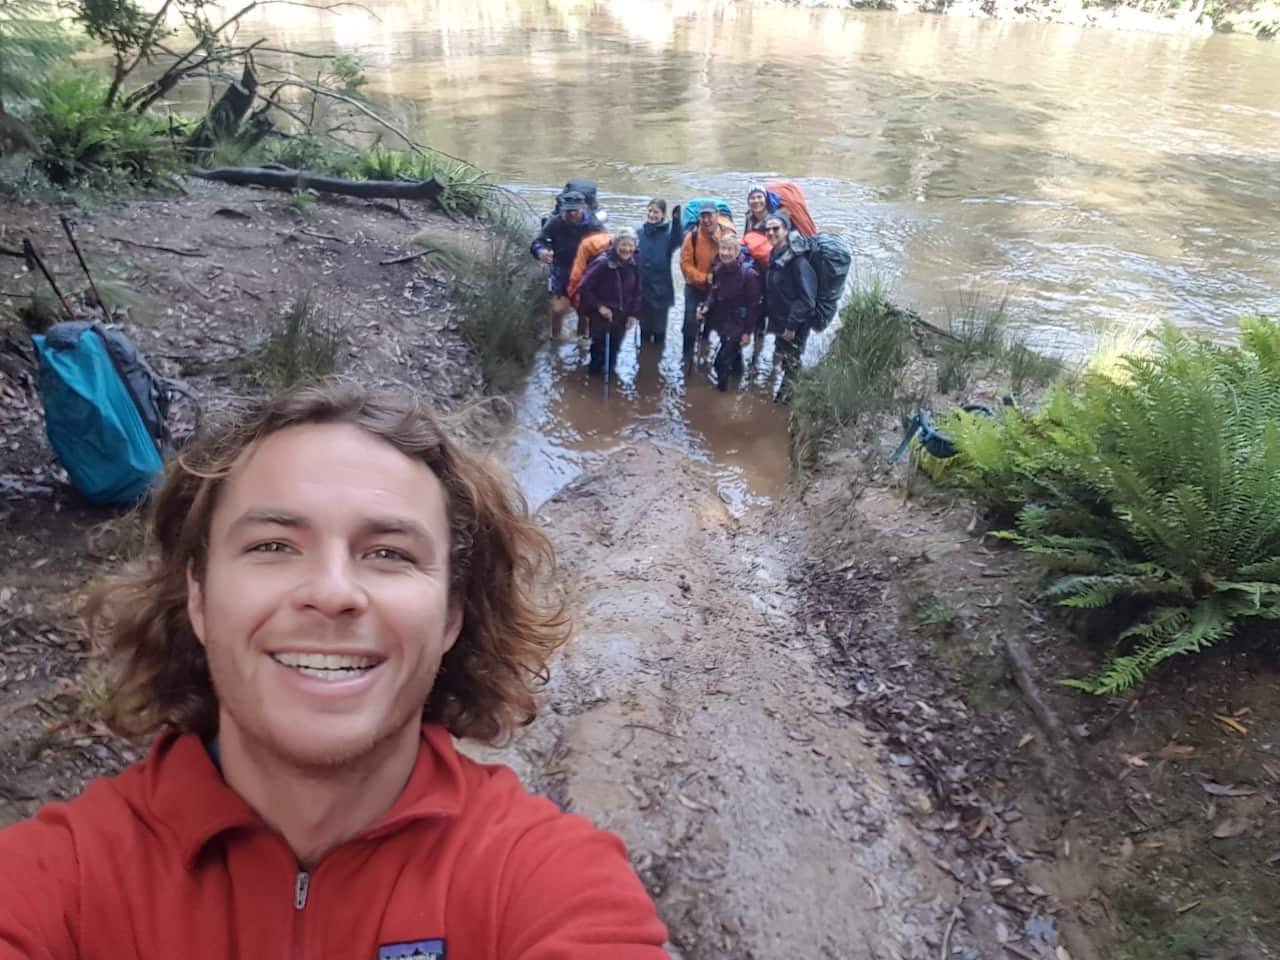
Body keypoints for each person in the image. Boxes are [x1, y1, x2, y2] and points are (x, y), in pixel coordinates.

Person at [0, 380, 668, 958]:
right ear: (198, 599)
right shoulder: (59, 880)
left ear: (451, 616)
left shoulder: (544, 878)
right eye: (273, 546)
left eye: (389, 554)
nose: (331, 592)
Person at [529, 189, 605, 338]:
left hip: (585, 271)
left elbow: (606, 247)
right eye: (568, 211)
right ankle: (555, 339)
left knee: (584, 312)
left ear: (583, 208)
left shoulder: (594, 225)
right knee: (557, 310)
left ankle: (582, 340)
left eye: (575, 211)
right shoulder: (555, 222)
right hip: (561, 269)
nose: (571, 214)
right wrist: (540, 251)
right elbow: (538, 241)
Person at [696, 229, 762, 391]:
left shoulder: (749, 275)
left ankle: (722, 393)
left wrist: (747, 333)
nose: (725, 253)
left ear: (737, 251)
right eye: (723, 249)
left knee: (720, 362)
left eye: (729, 249)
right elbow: (713, 292)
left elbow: (754, 307)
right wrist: (706, 307)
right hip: (724, 321)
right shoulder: (718, 270)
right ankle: (737, 384)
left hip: (740, 324)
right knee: (734, 355)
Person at [763, 212, 818, 403]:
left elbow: (807, 300)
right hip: (781, 319)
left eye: (776, 229)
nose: (771, 232)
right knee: (785, 357)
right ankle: (789, 395)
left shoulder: (798, 261)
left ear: (786, 231)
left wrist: (791, 326)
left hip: (795, 324)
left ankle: (786, 403)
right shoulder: (776, 253)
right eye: (768, 229)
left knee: (792, 362)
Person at [577, 226, 642, 377]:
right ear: (616, 245)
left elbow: (638, 290)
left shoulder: (635, 262)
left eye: (630, 245)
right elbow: (584, 287)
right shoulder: (602, 263)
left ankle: (610, 378)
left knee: (614, 349)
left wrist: (633, 314)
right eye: (623, 245)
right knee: (599, 350)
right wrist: (600, 307)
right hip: (601, 315)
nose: (627, 249)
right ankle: (593, 379)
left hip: (622, 315)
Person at [679, 205, 731, 358]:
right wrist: (704, 277)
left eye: (710, 216)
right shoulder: (692, 237)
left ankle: (704, 349)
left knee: (710, 321)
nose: (707, 220)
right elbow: (685, 265)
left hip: (716, 289)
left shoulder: (726, 235)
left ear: (717, 215)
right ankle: (686, 355)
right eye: (703, 216)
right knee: (690, 322)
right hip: (694, 287)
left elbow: (734, 259)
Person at [636, 199, 683, 347]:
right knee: (644, 330)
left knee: (659, 331)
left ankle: (657, 354)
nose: (652, 214)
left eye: (656, 212)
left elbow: (678, 240)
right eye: (650, 211)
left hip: (661, 290)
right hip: (643, 290)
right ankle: (645, 357)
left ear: (663, 215)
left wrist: (676, 221)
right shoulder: (639, 233)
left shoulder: (668, 235)